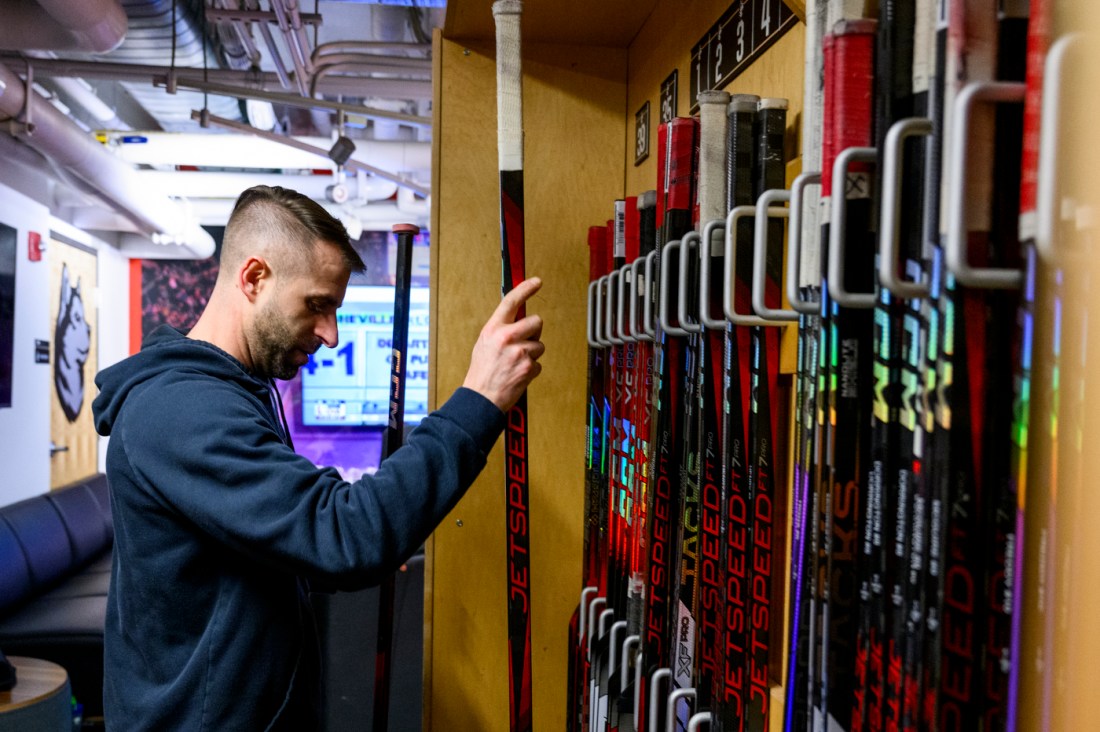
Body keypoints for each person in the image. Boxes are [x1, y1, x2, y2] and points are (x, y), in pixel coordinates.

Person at [91, 185, 545, 731]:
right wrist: (479, 399)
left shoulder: (236, 391)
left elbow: (266, 547)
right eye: (318, 305)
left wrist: (334, 548)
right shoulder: (184, 410)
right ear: (254, 278)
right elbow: (343, 535)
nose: (330, 334)